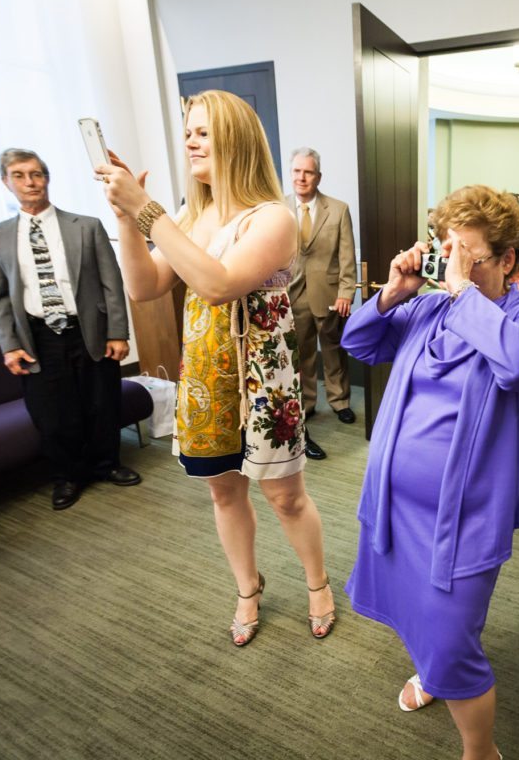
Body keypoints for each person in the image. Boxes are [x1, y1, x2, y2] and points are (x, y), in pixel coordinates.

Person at [97, 90, 336, 646]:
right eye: (187, 132)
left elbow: (217, 284)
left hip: (263, 384)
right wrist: (130, 221)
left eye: (203, 131)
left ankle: (317, 583)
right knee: (223, 493)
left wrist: (148, 211)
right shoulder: (190, 216)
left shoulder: (273, 218)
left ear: (236, 139)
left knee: (285, 496)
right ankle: (247, 588)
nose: (190, 140)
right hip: (206, 381)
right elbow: (143, 286)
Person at [341, 185, 519, 760]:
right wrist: (393, 293)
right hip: (396, 508)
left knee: (453, 638)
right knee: (423, 620)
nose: (451, 265)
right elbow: (359, 343)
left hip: (462, 520)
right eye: (447, 251)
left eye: (470, 254)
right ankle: (432, 671)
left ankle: (480, 750)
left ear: (508, 260)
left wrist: (463, 291)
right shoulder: (428, 306)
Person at [0, 148, 141, 511]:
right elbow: (0, 297)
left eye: (36, 174)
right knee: (52, 412)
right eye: (19, 175)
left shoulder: (85, 226)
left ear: (47, 178)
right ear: (6, 183)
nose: (30, 182)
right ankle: (67, 477)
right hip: (37, 337)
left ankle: (107, 465)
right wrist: (8, 345)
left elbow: (111, 283)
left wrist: (118, 332)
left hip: (87, 330)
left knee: (102, 402)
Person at [287, 147, 358, 453]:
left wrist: (346, 293)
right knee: (301, 355)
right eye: (297, 171)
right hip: (291, 295)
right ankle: (307, 404)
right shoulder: (277, 209)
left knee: (333, 350)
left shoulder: (338, 209)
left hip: (329, 295)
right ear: (291, 174)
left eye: (308, 172)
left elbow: (347, 257)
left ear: (318, 176)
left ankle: (340, 400)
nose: (302, 177)